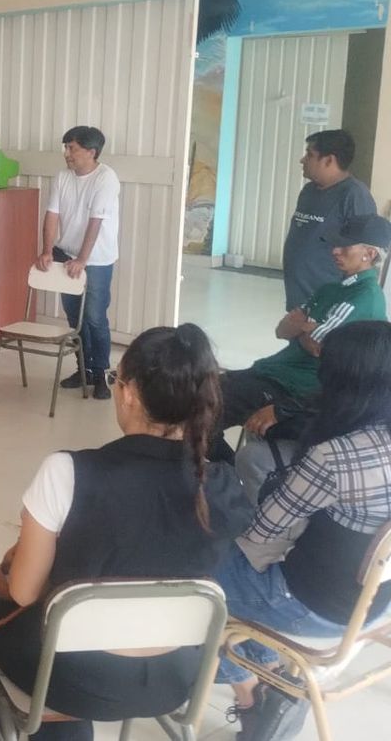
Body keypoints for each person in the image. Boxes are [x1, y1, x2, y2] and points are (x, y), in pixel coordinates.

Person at [0, 324, 251, 741]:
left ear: (130, 394)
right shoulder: (222, 485)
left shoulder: (68, 472)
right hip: (175, 677)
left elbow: (22, 591)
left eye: (116, 380)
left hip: (74, 678)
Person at [214, 320, 391, 740]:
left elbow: (261, 533)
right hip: (376, 604)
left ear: (340, 382)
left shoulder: (336, 456)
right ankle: (271, 668)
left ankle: (252, 696)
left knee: (200, 579)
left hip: (316, 607)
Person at [211, 214, 390, 466]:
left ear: (369, 254)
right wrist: (308, 329)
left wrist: (303, 327)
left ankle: (227, 475)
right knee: (199, 395)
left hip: (296, 387)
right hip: (274, 371)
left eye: (344, 247)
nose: (335, 251)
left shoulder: (365, 297)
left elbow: (320, 347)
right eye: (335, 245)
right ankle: (226, 472)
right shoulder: (330, 289)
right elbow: (283, 329)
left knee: (200, 411)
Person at [37, 125, 121, 401]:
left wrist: (83, 260)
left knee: (95, 318)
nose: (67, 154)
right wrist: (47, 251)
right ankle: (83, 370)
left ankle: (101, 374)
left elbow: (95, 222)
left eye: (71, 148)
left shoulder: (106, 178)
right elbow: (52, 214)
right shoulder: (63, 176)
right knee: (75, 318)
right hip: (66, 254)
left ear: (91, 151)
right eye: (66, 148)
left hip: (96, 260)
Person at [282, 129, 376, 311]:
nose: (302, 160)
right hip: (299, 297)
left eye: (310, 155)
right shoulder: (309, 191)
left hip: (330, 302)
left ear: (329, 160)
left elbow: (365, 253)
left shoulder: (354, 195)